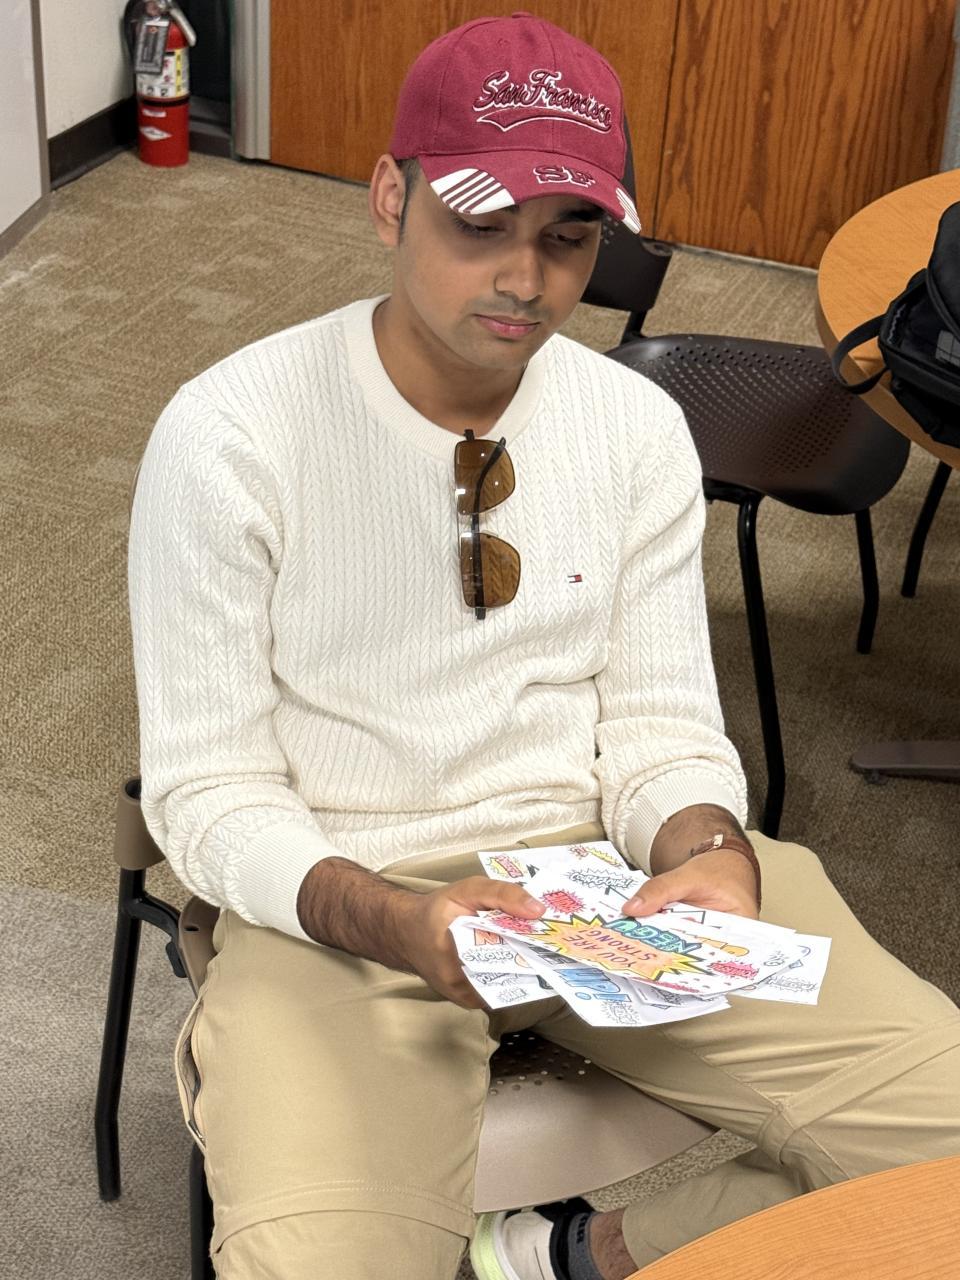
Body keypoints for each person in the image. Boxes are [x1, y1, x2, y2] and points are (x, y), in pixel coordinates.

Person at [128, 13, 960, 1280]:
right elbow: (210, 791)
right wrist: (395, 917)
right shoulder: (232, 434)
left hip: (599, 878)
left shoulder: (633, 427)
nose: (526, 277)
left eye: (567, 236)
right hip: (342, 893)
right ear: (390, 197)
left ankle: (586, 1250)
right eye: (481, 223)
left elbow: (662, 724)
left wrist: (709, 846)